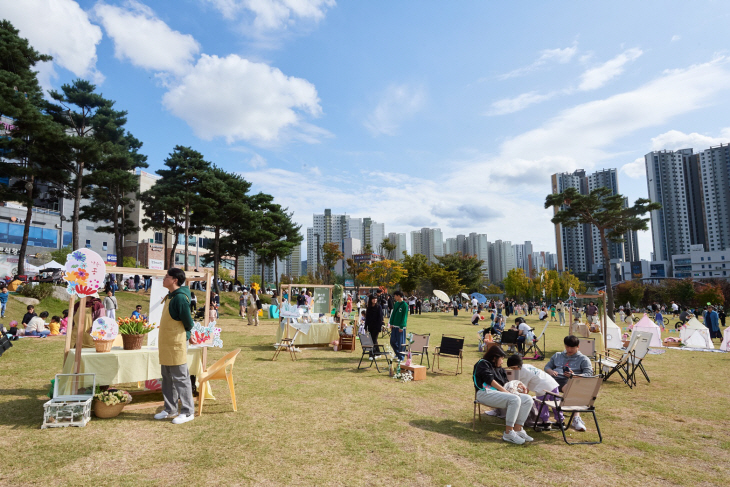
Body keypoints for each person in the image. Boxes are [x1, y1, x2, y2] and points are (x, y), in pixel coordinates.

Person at [154, 268, 195, 424]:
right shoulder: (170, 296)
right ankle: (170, 409)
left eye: (166, 277)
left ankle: (187, 411)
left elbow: (188, 323)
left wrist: (188, 337)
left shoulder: (180, 298)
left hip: (176, 343)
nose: (164, 279)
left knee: (181, 378)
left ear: (175, 280)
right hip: (166, 343)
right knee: (167, 378)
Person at [473, 346, 534, 444]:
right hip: (484, 393)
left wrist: (516, 385)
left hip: (499, 394)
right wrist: (505, 391)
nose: (502, 362)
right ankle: (508, 432)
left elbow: (506, 383)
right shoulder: (482, 364)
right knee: (514, 399)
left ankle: (518, 429)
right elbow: (490, 381)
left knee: (528, 399)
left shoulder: (499, 368)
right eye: (501, 358)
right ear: (494, 357)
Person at [544, 335, 594, 432]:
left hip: (569, 381)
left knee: (571, 390)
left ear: (578, 347)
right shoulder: (557, 355)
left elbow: (589, 374)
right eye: (567, 347)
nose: (569, 349)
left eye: (572, 347)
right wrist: (550, 371)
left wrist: (574, 375)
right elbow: (547, 367)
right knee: (540, 385)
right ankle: (541, 415)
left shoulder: (583, 359)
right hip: (552, 379)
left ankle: (576, 417)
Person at [507, 354, 562, 428]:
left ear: (516, 366)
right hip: (552, 383)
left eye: (513, 368)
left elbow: (525, 389)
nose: (513, 370)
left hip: (542, 387)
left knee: (541, 404)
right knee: (556, 404)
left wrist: (519, 396)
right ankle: (560, 421)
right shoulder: (527, 365)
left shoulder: (522, 372)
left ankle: (544, 421)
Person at [390, 290, 408, 361]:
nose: (394, 297)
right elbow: (393, 314)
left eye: (395, 296)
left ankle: (401, 357)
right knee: (392, 341)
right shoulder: (396, 304)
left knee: (401, 343)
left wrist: (402, 326)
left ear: (398, 296)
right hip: (394, 326)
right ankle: (397, 353)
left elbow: (404, 317)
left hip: (400, 327)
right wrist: (391, 323)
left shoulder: (405, 305)